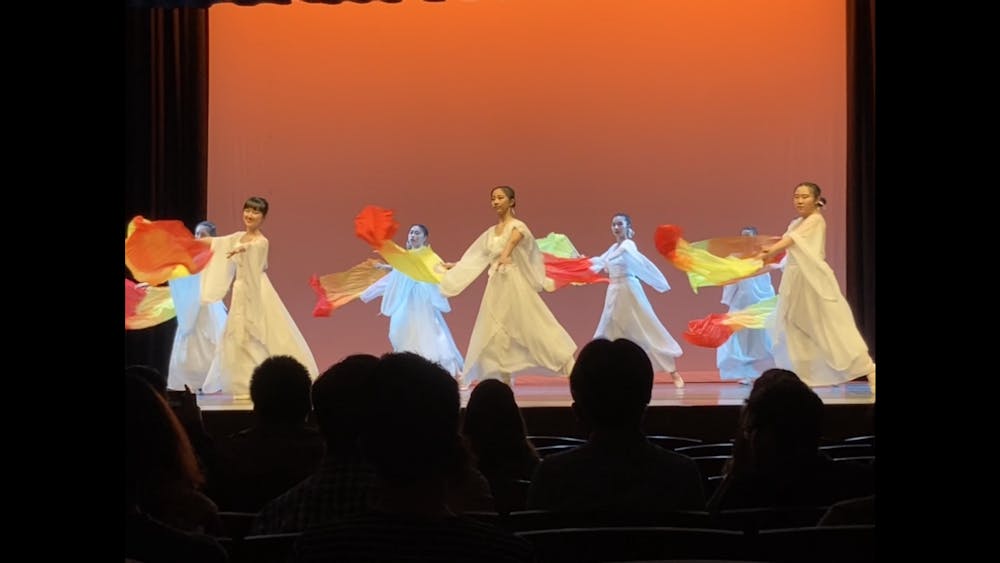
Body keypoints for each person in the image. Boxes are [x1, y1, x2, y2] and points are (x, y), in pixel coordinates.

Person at [440, 185, 577, 387]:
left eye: (500, 198)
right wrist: (456, 266)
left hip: (514, 284)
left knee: (534, 326)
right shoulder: (490, 233)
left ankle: (572, 369)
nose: (495, 202)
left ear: (511, 201)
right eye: (493, 198)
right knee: (496, 332)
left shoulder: (518, 227)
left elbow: (511, 245)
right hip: (496, 285)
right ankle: (504, 382)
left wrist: (504, 256)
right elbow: (478, 256)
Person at [757, 183, 875, 391]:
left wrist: (770, 251)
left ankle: (868, 368)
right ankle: (803, 377)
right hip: (795, 281)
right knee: (792, 326)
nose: (799, 201)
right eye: (796, 196)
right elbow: (789, 245)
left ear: (816, 199)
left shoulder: (815, 220)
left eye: (804, 196)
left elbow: (791, 241)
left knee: (829, 326)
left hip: (812, 281)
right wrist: (770, 259)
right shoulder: (795, 222)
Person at [198, 196, 319, 397]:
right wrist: (194, 242)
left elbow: (254, 249)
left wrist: (243, 248)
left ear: (263, 217)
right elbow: (218, 243)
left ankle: (265, 381)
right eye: (247, 210)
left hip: (257, 290)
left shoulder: (262, 241)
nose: (250, 215)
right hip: (241, 290)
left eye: (255, 212)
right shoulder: (237, 236)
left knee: (260, 332)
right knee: (238, 334)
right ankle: (241, 383)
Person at [590, 213, 685, 388]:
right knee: (608, 331)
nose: (616, 227)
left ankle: (673, 372)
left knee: (646, 327)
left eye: (619, 224)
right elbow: (600, 262)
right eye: (613, 224)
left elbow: (641, 263)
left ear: (627, 227)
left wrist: (658, 281)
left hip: (629, 290)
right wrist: (582, 263)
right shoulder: (613, 248)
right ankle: (602, 375)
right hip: (613, 292)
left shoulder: (628, 246)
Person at [359, 223, 464, 377]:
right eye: (411, 233)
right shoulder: (405, 256)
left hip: (421, 300)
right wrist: (385, 267)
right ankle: (408, 370)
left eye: (417, 233)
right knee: (400, 331)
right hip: (405, 300)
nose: (413, 236)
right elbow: (402, 272)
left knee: (427, 332)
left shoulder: (428, 256)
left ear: (425, 238)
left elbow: (436, 271)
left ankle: (435, 371)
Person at [167, 220, 228, 392]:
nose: (198, 237)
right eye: (196, 234)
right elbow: (179, 280)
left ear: (212, 238)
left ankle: (211, 382)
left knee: (212, 343)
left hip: (208, 306)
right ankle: (191, 384)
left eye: (203, 235)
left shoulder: (215, 259)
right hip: (191, 308)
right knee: (189, 346)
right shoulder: (189, 259)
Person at [717, 226, 777, 385]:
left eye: (749, 237)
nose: (745, 241)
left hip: (758, 303)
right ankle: (746, 373)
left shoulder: (762, 257)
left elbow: (766, 282)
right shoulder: (735, 258)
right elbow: (730, 281)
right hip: (741, 302)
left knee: (760, 340)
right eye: (743, 237)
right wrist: (729, 298)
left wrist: (767, 303)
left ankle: (762, 372)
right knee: (740, 340)